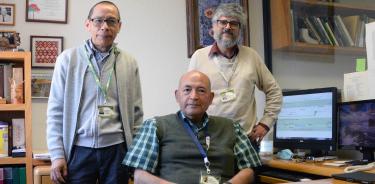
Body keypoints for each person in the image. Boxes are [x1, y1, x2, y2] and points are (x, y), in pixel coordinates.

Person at [46, 1, 143, 184]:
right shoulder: (67, 60)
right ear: (88, 24)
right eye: (98, 20)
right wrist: (57, 155)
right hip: (78, 151)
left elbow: (136, 115)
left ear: (119, 26)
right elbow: (55, 112)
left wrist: (136, 156)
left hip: (117, 152)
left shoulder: (129, 63)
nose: (104, 27)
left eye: (111, 21)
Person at [123, 70, 262, 184]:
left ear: (211, 98)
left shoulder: (232, 127)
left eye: (201, 91)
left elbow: (250, 169)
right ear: (177, 96)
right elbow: (139, 175)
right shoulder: (155, 126)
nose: (194, 96)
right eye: (187, 90)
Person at [188, 3, 283, 148]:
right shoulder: (199, 57)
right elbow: (189, 96)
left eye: (234, 23)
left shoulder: (252, 56)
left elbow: (274, 92)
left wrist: (265, 123)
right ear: (213, 27)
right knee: (210, 172)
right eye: (223, 22)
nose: (228, 27)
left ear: (239, 30)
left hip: (245, 141)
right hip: (209, 141)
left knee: (250, 172)